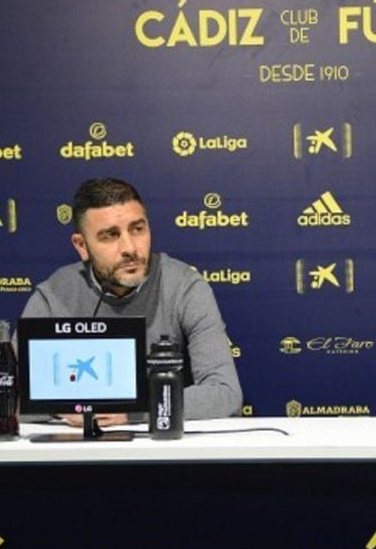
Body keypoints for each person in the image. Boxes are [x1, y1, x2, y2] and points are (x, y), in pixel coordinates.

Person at [18, 177, 242, 425]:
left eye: (138, 229)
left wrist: (132, 411)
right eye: (110, 235)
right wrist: (64, 408)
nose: (130, 247)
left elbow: (225, 393)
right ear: (82, 246)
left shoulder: (184, 286)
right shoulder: (54, 295)